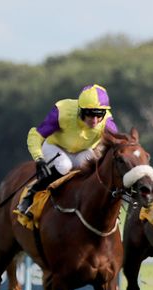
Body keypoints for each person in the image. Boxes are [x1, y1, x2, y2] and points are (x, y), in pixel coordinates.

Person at [17, 84, 118, 218]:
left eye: (99, 114)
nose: (94, 120)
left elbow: (117, 144)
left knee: (94, 167)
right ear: (80, 110)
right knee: (63, 165)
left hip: (83, 151)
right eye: (89, 114)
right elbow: (36, 135)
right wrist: (39, 158)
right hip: (55, 147)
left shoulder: (106, 121)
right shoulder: (63, 111)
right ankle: (31, 194)